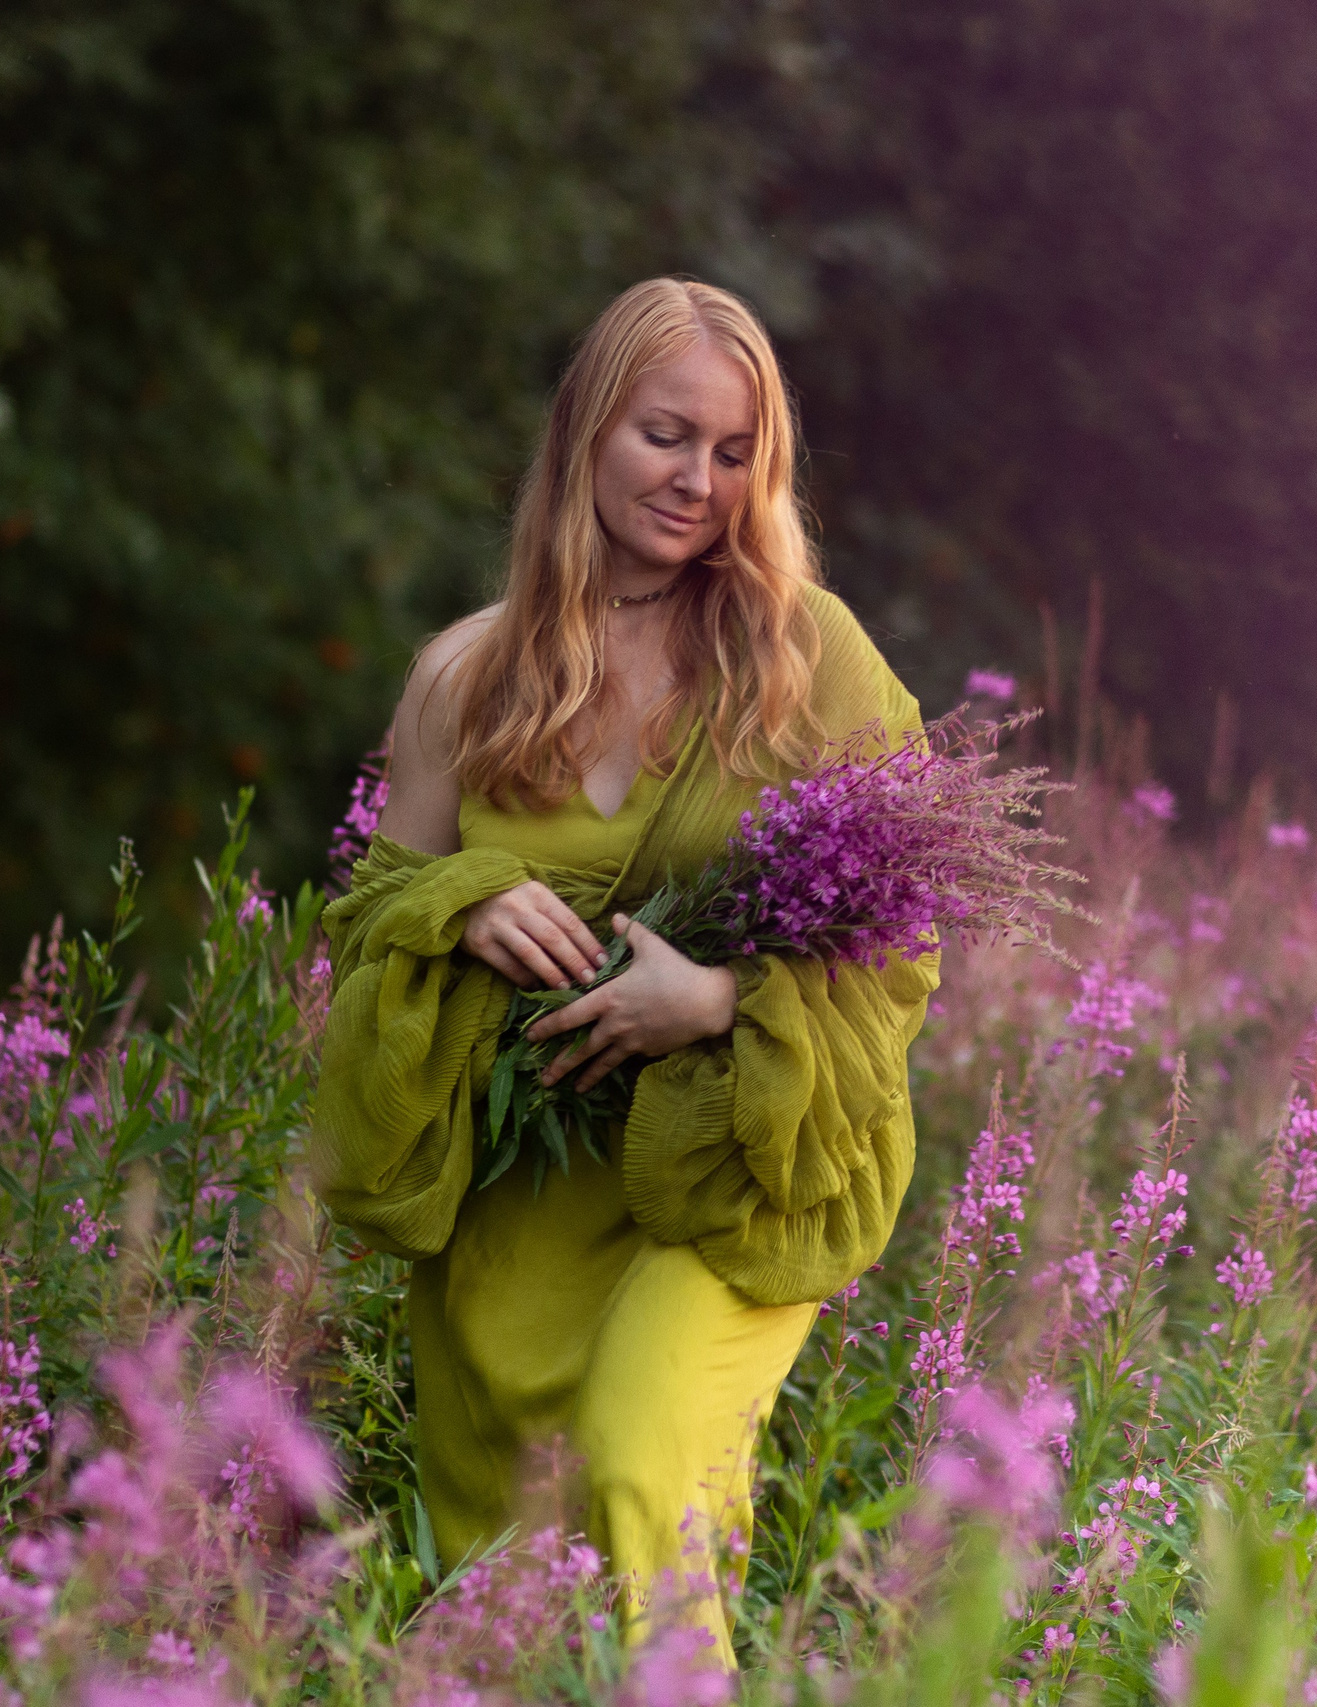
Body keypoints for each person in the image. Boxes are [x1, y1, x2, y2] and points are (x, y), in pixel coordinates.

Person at [311, 276, 934, 1660]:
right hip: (523, 1190)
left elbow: (907, 939)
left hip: (738, 1159)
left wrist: (715, 1002)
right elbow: (370, 918)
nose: (697, 482)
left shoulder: (807, 658)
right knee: (517, 1594)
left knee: (643, 1453)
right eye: (667, 436)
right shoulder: (464, 678)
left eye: (732, 454)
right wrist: (465, 902)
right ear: (589, 426)